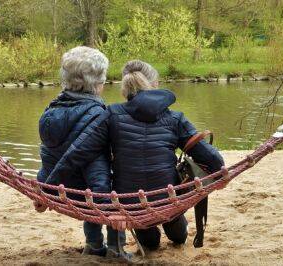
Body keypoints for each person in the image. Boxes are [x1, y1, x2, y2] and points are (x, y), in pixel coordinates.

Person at [45, 60, 224, 250]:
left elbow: (78, 152)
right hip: (168, 199)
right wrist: (220, 174)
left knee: (150, 244)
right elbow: (211, 158)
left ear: (125, 87)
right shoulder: (175, 118)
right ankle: (174, 225)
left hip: (131, 205)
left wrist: (48, 189)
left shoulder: (111, 114)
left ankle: (154, 229)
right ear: (154, 85)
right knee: (179, 236)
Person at [34, 46, 128, 259]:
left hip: (59, 188)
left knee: (92, 186)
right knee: (118, 186)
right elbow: (97, 173)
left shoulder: (50, 111)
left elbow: (49, 156)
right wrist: (109, 211)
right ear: (97, 84)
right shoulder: (98, 115)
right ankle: (116, 247)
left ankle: (93, 244)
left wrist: (43, 188)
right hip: (88, 193)